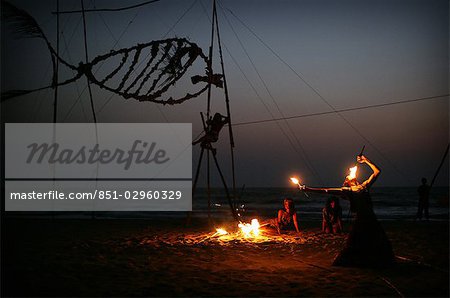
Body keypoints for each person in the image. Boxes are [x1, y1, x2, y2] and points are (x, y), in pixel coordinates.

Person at [298, 155, 395, 267]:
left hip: (371, 217)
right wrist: (308, 189)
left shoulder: (364, 186)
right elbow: (326, 190)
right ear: (347, 182)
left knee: (378, 239)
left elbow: (377, 171)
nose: (350, 174)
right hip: (360, 218)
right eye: (348, 176)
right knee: (355, 242)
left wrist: (366, 160)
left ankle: (377, 261)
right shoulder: (346, 190)